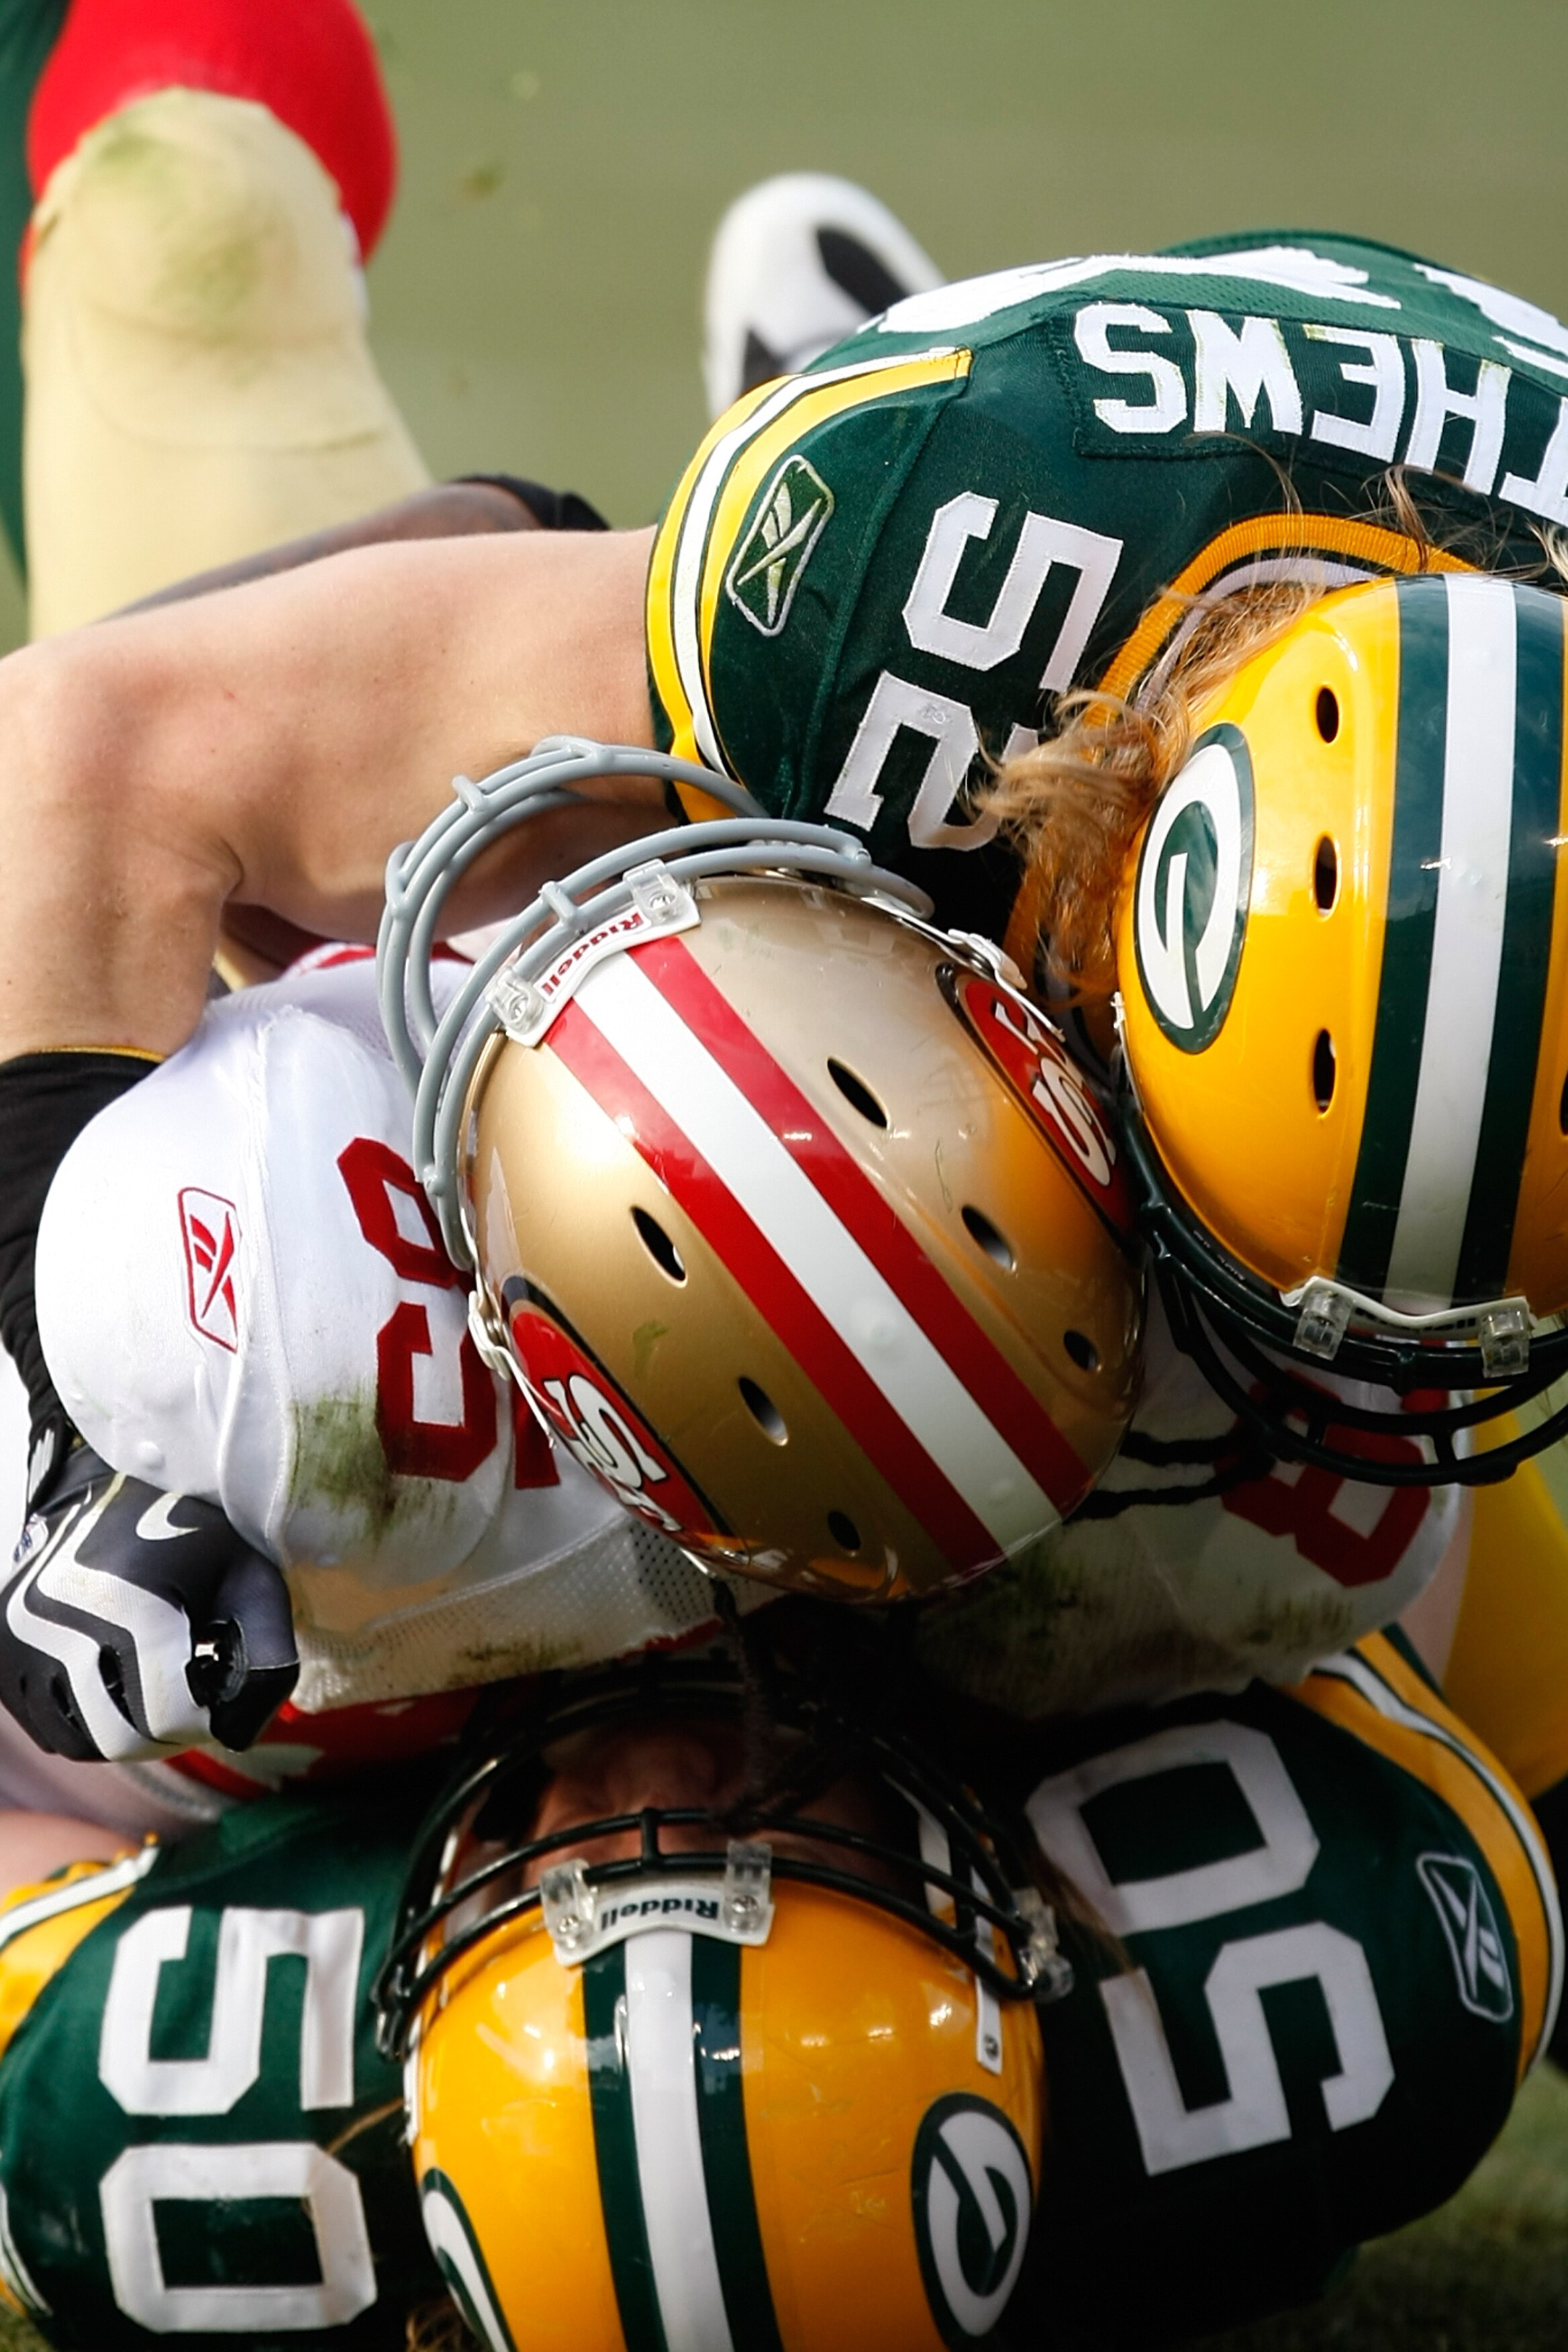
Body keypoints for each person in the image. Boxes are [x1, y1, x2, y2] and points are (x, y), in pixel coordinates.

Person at [0, 1606, 1554, 2351]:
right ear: (978, 1900)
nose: (661, 1761)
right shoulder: (1354, 1947)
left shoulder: (153, 2114)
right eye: (758, 1828)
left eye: (569, 1883)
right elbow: (1375, 1584)